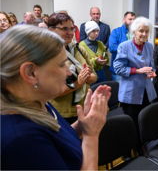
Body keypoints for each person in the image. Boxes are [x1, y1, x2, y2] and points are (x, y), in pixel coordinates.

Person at [1, 25, 111, 170]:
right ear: (30, 73)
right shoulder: (21, 138)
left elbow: (58, 138)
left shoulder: (36, 101)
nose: (68, 72)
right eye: (61, 65)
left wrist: (84, 122)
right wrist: (91, 135)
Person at [113, 16, 157, 153]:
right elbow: (118, 68)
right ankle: (127, 151)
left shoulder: (149, 46)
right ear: (134, 32)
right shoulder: (124, 46)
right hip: (130, 92)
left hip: (146, 92)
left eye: (147, 31)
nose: (144, 34)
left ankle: (141, 148)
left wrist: (152, 73)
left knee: (143, 122)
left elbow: (152, 66)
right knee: (131, 124)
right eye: (141, 31)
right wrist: (137, 70)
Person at [48, 13, 98, 124]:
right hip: (61, 113)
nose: (70, 32)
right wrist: (79, 82)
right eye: (64, 28)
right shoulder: (47, 54)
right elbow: (53, 91)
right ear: (51, 30)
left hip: (83, 108)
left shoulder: (79, 49)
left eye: (72, 28)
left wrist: (86, 76)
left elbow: (94, 77)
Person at [109, 11, 136, 82]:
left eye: (134, 20)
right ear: (124, 20)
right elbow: (112, 48)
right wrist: (128, 48)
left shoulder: (136, 33)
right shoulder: (116, 31)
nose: (132, 21)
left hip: (133, 71)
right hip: (118, 71)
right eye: (130, 19)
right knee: (118, 92)